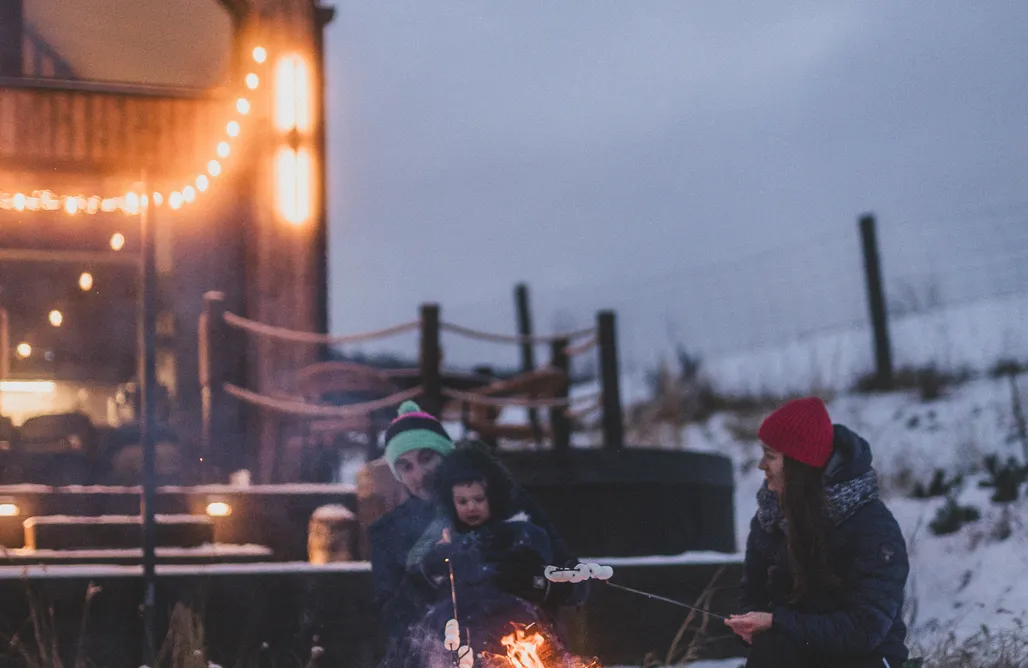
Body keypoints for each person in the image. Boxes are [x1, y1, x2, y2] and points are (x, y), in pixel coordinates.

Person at [368, 402, 588, 658]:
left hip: (519, 648)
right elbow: (389, 620)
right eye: (406, 466)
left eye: (427, 458)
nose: (419, 474)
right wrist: (423, 581)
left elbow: (575, 583)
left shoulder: (505, 506)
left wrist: (534, 581)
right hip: (437, 655)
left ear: (446, 456)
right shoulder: (388, 533)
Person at [725, 397, 910, 668]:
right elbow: (752, 591)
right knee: (771, 652)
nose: (761, 466)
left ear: (799, 466)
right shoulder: (769, 518)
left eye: (771, 456)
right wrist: (749, 624)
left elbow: (865, 629)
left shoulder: (872, 527)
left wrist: (777, 622)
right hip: (796, 650)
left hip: (863, 658)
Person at [395, 445, 565, 665]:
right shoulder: (445, 544)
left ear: (492, 498)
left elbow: (551, 580)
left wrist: (533, 580)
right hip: (458, 633)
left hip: (512, 630)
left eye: (478, 499)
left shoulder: (519, 535)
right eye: (462, 502)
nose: (471, 508)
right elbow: (416, 588)